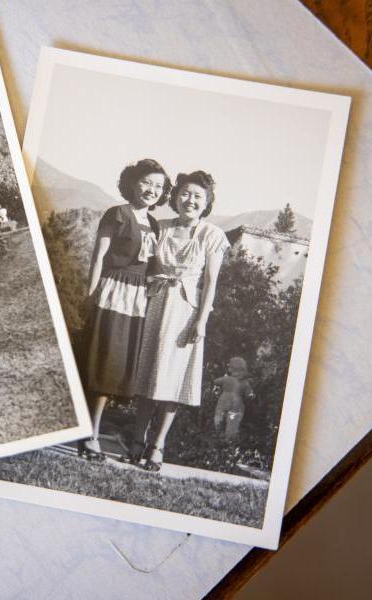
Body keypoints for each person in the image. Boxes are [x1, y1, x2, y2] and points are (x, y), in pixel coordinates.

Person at [132, 170, 230, 471]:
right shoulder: (158, 227)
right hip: (154, 304)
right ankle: (136, 439)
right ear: (175, 197)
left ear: (207, 202)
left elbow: (211, 282)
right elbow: (142, 266)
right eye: (185, 194)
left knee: (173, 378)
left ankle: (157, 444)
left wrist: (201, 321)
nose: (190, 200)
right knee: (147, 373)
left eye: (197, 196)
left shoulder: (212, 235)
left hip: (186, 310)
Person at [78, 159, 169, 461]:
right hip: (113, 293)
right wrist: (90, 297)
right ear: (132, 182)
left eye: (158, 186)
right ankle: (89, 436)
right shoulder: (118, 214)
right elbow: (98, 256)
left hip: (138, 300)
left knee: (118, 369)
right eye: (146, 182)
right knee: (103, 365)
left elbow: (150, 267)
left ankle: (90, 431)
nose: (151, 190)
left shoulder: (155, 225)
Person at [213, 357, 254, 441]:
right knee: (233, 422)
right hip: (236, 403)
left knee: (219, 417)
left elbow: (215, 381)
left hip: (223, 402)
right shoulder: (245, 383)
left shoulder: (227, 379)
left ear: (231, 369)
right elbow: (249, 395)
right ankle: (229, 439)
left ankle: (219, 434)